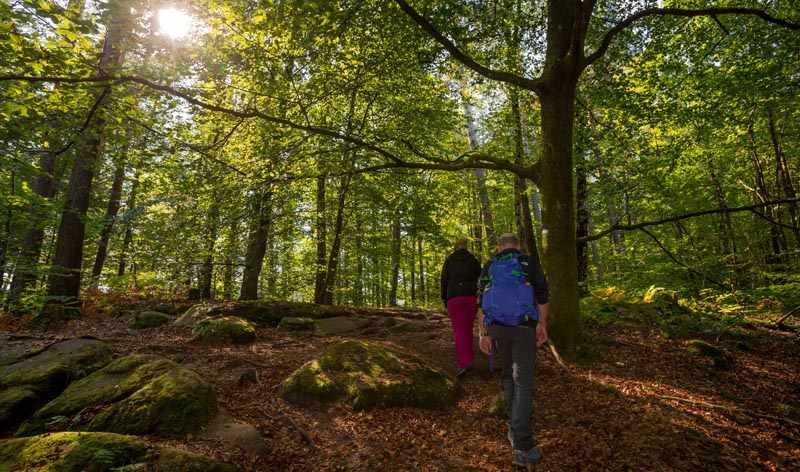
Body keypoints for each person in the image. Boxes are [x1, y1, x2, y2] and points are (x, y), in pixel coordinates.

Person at [477, 233, 549, 470]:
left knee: (508, 377)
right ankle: (522, 444)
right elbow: (542, 295)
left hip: (497, 328)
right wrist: (542, 324)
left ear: (500, 247)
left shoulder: (489, 265)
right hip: (523, 326)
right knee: (524, 383)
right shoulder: (528, 262)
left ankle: (513, 428)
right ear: (518, 245)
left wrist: (483, 334)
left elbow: (480, 302)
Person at [440, 238, 482, 378]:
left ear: (455, 246)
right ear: (466, 247)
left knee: (459, 330)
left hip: (454, 298)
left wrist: (445, 299)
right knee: (468, 328)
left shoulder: (449, 260)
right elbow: (481, 279)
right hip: (471, 297)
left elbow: (444, 281)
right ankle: (469, 359)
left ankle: (465, 362)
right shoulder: (473, 260)